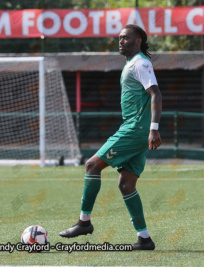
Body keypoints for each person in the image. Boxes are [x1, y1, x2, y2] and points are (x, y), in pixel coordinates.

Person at [59, 24, 162, 250]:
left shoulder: (141, 63)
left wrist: (154, 128)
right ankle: (144, 239)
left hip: (135, 130)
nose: (121, 41)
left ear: (138, 40)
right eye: (119, 38)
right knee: (126, 185)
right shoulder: (133, 63)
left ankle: (84, 222)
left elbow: (155, 94)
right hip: (137, 131)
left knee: (92, 165)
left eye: (126, 38)